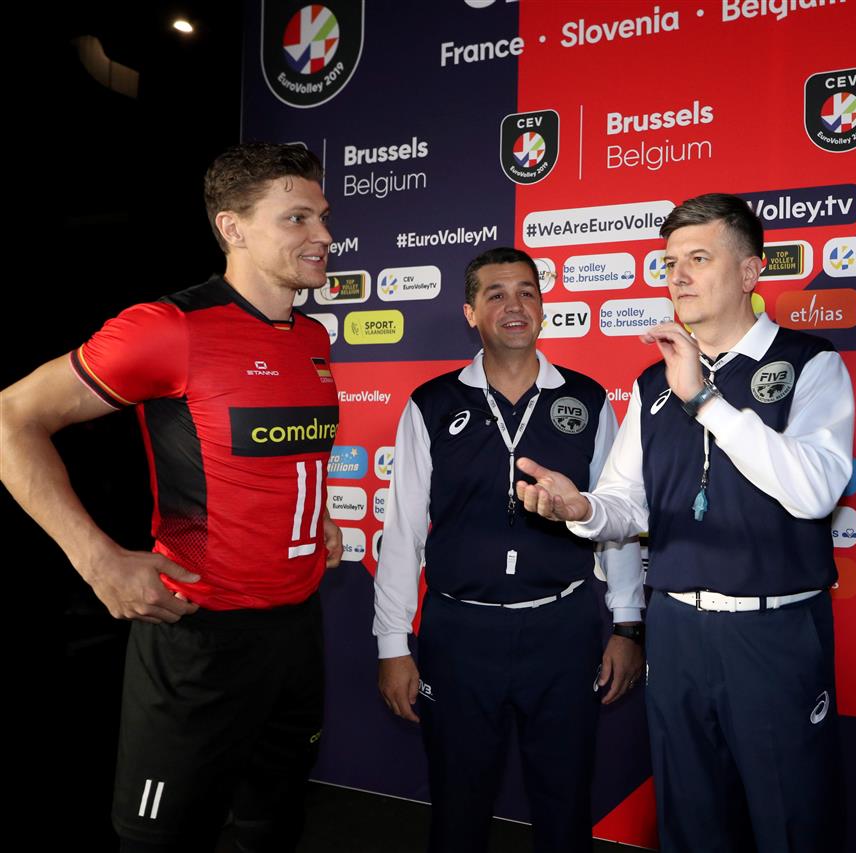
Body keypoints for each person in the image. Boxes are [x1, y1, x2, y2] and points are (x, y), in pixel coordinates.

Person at [0, 141, 343, 852]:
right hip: (199, 636)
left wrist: (317, 517)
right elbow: (11, 418)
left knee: (273, 824)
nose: (323, 235)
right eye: (298, 218)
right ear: (232, 227)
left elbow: (274, 452)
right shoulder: (170, 327)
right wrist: (97, 559)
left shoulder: (312, 336)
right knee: (162, 841)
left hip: (296, 630)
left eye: (324, 216)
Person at [516, 194, 854, 852]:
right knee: (690, 821)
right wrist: (581, 508)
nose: (678, 275)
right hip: (676, 632)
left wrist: (704, 398)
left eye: (699, 258)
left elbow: (815, 491)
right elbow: (627, 502)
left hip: (775, 631)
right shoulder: (653, 383)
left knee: (792, 821)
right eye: (670, 262)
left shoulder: (810, 363)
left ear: (750, 271)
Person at [373, 247, 645, 853]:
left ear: (543, 307)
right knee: (458, 806)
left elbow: (617, 517)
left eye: (526, 291)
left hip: (563, 629)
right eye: (495, 294)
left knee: (565, 803)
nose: (514, 305)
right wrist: (393, 644)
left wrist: (628, 624)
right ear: (470, 313)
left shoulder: (588, 399)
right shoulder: (431, 403)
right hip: (459, 634)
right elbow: (403, 530)